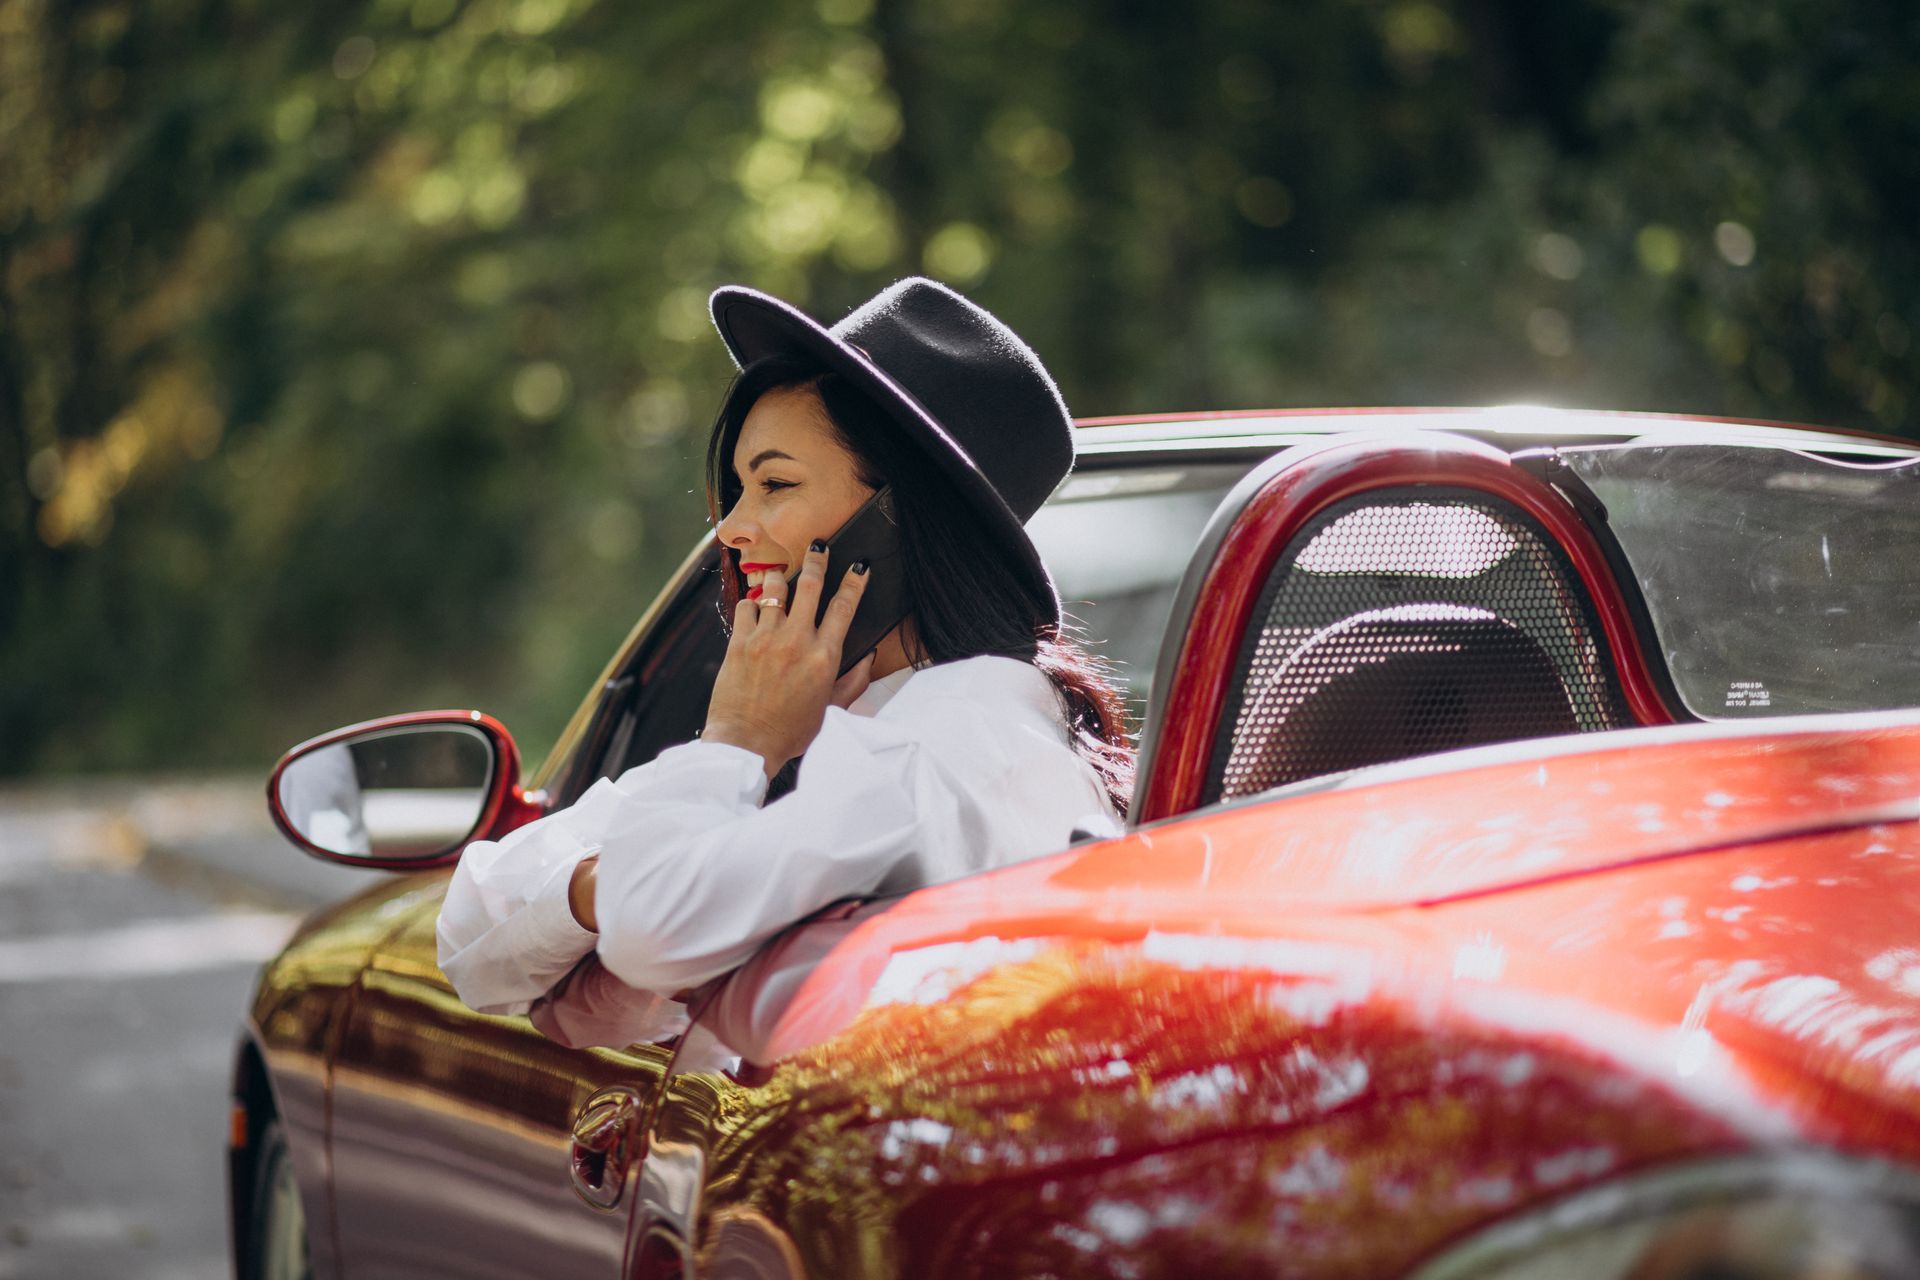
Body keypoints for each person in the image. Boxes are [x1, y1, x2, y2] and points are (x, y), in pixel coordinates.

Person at [435, 276, 1133, 1028]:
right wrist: (613, 882)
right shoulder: (880, 734)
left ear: (900, 518)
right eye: (738, 489)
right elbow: (473, 927)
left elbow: (647, 932)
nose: (731, 529)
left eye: (775, 484)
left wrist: (738, 743)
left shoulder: (935, 753)